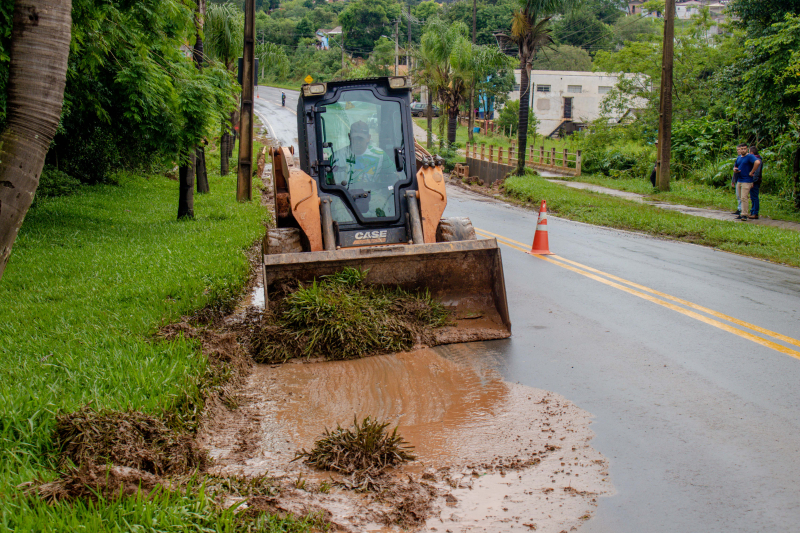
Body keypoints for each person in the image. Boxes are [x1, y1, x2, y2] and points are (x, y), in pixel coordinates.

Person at [329, 121, 395, 218]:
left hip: (373, 196)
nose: (358, 142)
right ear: (349, 136)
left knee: (385, 211)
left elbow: (393, 176)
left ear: (368, 138)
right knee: (340, 215)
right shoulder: (337, 157)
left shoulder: (380, 155)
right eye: (355, 138)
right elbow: (329, 182)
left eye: (361, 139)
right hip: (344, 197)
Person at [733, 143, 761, 221]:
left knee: (744, 197)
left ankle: (744, 214)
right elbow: (735, 166)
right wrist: (735, 170)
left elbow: (757, 162)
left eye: (744, 149)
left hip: (747, 180)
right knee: (740, 197)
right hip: (740, 179)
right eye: (741, 149)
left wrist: (752, 172)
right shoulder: (739, 158)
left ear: (747, 149)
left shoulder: (750, 157)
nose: (743, 150)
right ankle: (741, 212)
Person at [749, 146, 762, 219]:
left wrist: (753, 181)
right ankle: (753, 211)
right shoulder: (757, 159)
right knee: (752, 196)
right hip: (755, 180)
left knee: (754, 197)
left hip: (755, 181)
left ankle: (755, 212)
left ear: (752, 153)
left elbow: (756, 172)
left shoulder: (757, 160)